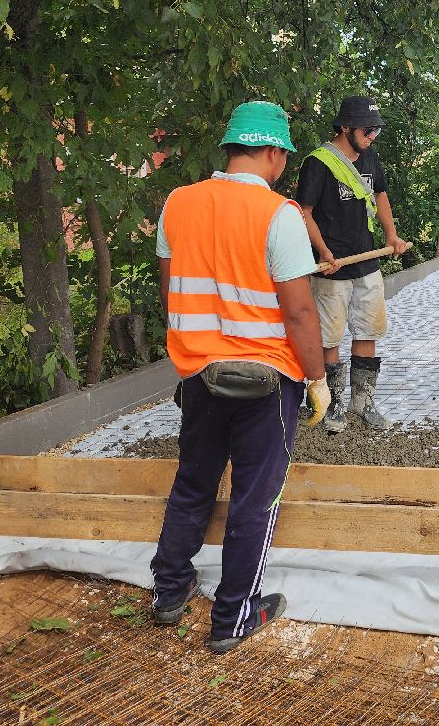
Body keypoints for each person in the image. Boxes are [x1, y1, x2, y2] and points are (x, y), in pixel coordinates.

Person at [150, 101, 329, 654]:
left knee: (193, 483)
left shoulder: (178, 203)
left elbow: (170, 286)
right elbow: (299, 312)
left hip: (200, 373)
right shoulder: (279, 215)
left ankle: (169, 592)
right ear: (274, 153)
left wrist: (197, 349)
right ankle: (234, 617)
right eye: (284, 157)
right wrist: (317, 378)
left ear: (231, 147)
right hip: (267, 381)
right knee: (255, 498)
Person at [296, 96, 411, 433]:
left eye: (375, 129)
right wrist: (323, 252)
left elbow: (381, 197)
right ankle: (332, 405)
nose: (372, 135)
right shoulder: (317, 163)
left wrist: (391, 236)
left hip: (367, 263)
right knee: (329, 338)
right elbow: (304, 213)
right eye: (367, 129)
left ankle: (363, 403)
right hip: (333, 270)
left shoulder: (369, 156)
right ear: (345, 127)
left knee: (367, 331)